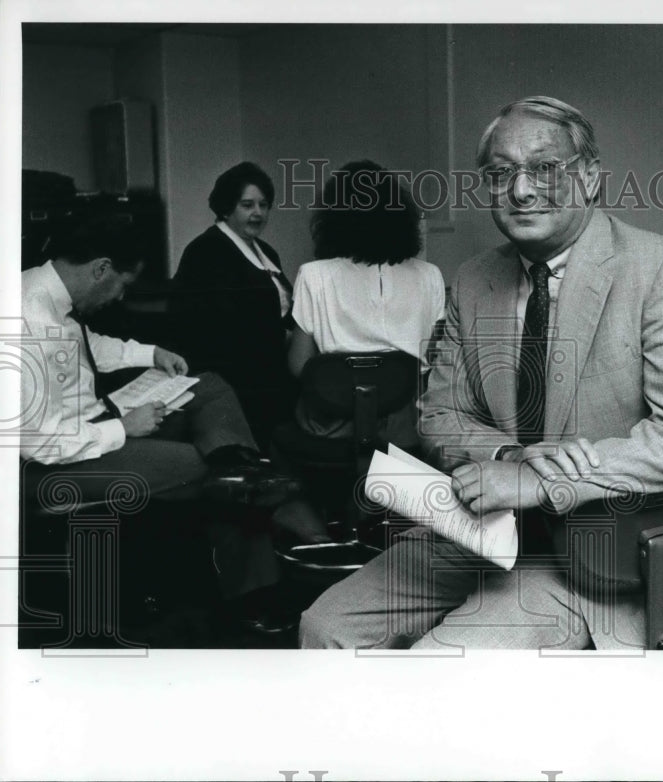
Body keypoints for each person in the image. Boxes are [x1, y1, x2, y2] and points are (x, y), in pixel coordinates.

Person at [299, 96, 663, 650]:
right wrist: (508, 460)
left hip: (604, 541)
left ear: (588, 176)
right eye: (502, 173)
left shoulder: (660, 268)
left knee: (441, 667)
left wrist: (541, 480)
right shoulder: (472, 279)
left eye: (545, 168)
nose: (522, 190)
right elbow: (441, 414)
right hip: (487, 526)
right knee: (325, 628)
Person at [20, 215, 297, 633]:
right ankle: (250, 588)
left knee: (209, 386)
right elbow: (36, 442)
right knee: (193, 465)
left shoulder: (47, 294)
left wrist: (151, 353)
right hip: (51, 463)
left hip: (88, 421)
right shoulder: (27, 321)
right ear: (100, 268)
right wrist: (124, 429)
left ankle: (241, 471)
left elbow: (86, 346)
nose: (119, 297)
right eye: (122, 284)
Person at [287, 159, 445, 443]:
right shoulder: (430, 275)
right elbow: (434, 364)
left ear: (334, 218)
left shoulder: (313, 275)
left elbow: (299, 365)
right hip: (407, 427)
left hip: (332, 425)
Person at [169, 161, 295, 448]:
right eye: (247, 205)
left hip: (271, 366)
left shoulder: (266, 252)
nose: (258, 213)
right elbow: (213, 326)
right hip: (236, 377)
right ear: (227, 208)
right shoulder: (206, 251)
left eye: (264, 205)